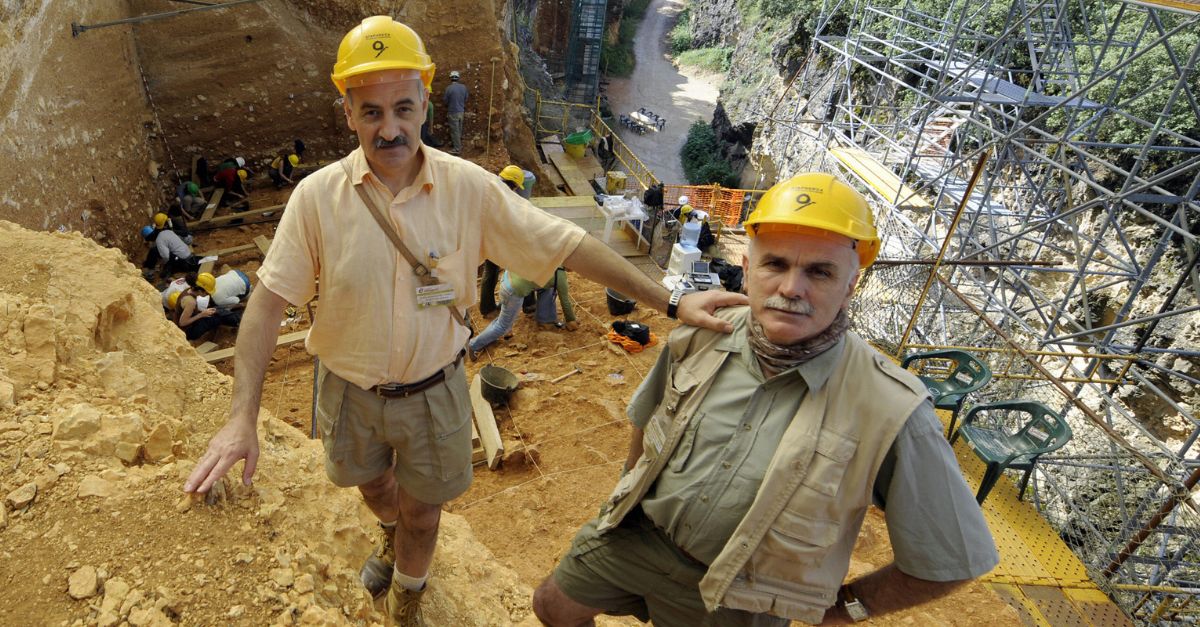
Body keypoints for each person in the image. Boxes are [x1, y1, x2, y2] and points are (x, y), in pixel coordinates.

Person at [181, 16, 743, 627]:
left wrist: (668, 300)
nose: (390, 128)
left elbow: (566, 245)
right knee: (373, 489)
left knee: (426, 514)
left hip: (434, 392)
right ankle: (388, 536)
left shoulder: (467, 189)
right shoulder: (317, 198)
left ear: (425, 100)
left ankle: (409, 596)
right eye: (371, 112)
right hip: (347, 391)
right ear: (347, 112)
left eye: (402, 107)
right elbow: (264, 305)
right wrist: (241, 420)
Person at [533, 173, 999, 626]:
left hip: (739, 595)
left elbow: (952, 561)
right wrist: (623, 497)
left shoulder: (891, 408)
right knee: (552, 606)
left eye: (820, 271)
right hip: (637, 539)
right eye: (776, 264)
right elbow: (646, 415)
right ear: (749, 269)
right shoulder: (703, 336)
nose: (792, 287)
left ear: (849, 286)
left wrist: (845, 609)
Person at [468, 268, 576, 359]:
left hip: (509, 276)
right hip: (512, 290)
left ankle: (545, 318)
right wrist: (571, 320)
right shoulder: (560, 276)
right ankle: (474, 345)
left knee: (548, 287)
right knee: (502, 326)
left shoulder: (551, 259)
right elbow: (565, 301)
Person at [172, 282, 242, 341]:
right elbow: (182, 323)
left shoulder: (188, 290)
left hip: (189, 323)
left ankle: (237, 318)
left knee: (216, 310)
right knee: (217, 317)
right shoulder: (190, 302)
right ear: (200, 291)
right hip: (188, 331)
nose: (208, 294)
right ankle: (239, 322)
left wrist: (202, 312)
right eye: (207, 292)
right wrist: (201, 315)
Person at [443, 70, 468, 155]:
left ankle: (457, 149)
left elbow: (445, 101)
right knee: (459, 130)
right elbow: (466, 98)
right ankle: (458, 144)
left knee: (455, 131)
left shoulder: (448, 88)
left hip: (453, 112)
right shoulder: (464, 87)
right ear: (458, 78)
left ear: (450, 78)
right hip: (461, 111)